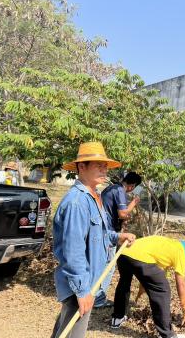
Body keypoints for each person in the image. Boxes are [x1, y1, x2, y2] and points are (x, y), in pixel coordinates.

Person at [51, 142, 136, 338]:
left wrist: (117, 236)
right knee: (73, 333)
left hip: (87, 282)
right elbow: (73, 251)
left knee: (64, 330)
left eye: (105, 165)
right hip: (79, 284)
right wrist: (82, 291)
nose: (103, 169)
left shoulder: (93, 197)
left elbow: (98, 235)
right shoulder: (77, 202)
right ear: (82, 167)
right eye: (98, 165)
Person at [111, 236, 185, 338]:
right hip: (137, 257)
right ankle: (168, 335)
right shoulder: (180, 251)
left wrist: (142, 287)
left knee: (124, 282)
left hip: (123, 252)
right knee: (163, 290)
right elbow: (181, 284)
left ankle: (117, 318)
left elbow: (151, 273)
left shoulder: (166, 245)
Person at [94, 171, 142, 308]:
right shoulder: (120, 191)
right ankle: (98, 300)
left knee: (102, 263)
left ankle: (94, 296)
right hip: (109, 232)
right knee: (108, 266)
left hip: (102, 229)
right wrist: (134, 202)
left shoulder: (112, 188)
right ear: (132, 186)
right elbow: (122, 214)